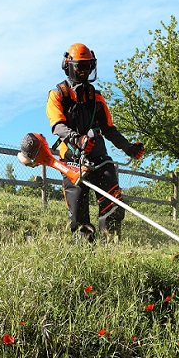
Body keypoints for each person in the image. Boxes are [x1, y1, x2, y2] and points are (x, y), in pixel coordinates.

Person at [46, 43, 144, 242]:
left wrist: (128, 148)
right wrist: (79, 140)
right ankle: (85, 250)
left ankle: (112, 242)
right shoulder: (57, 95)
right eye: (80, 66)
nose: (84, 71)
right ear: (68, 66)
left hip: (98, 156)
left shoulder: (96, 97)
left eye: (88, 66)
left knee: (113, 201)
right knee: (78, 210)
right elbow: (57, 126)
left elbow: (108, 128)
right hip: (72, 159)